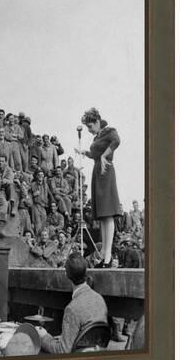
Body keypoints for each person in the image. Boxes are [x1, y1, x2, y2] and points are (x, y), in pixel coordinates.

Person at [76, 107, 121, 267]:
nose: (89, 130)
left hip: (106, 170)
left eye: (90, 126)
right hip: (97, 172)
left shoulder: (109, 131)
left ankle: (108, 257)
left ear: (97, 122)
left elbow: (117, 141)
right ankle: (103, 256)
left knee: (108, 214)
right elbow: (94, 154)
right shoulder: (97, 137)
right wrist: (84, 153)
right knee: (102, 216)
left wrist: (103, 155)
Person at [37, 252, 108, 353]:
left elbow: (63, 351)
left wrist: (43, 336)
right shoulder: (99, 299)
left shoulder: (72, 308)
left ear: (66, 274)